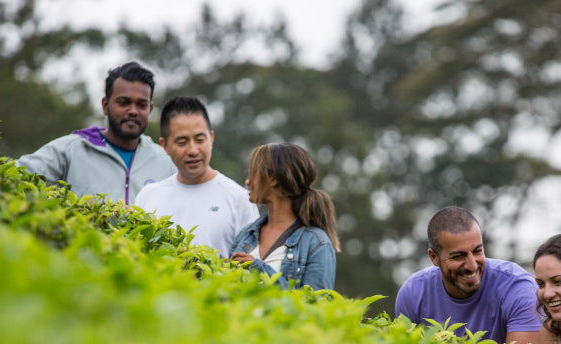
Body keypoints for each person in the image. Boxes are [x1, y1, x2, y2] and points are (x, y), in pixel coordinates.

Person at [17, 61, 175, 204]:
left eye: (141, 105)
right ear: (105, 105)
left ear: (150, 109)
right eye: (124, 102)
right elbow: (13, 177)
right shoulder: (71, 150)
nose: (133, 111)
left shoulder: (167, 162)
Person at [395, 206, 541, 344]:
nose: (472, 266)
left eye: (477, 251)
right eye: (458, 256)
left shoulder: (519, 289)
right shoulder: (413, 294)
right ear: (434, 257)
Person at [134, 96, 259, 257]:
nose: (193, 150)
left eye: (200, 140)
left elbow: (252, 269)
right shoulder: (148, 196)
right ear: (165, 146)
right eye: (182, 142)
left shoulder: (240, 199)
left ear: (211, 138)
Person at [229, 143, 338, 290]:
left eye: (253, 173)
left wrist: (259, 269)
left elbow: (317, 306)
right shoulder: (245, 236)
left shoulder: (317, 243)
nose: (247, 181)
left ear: (273, 178)